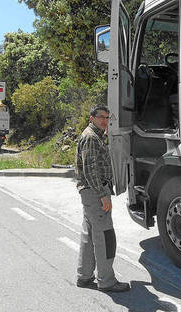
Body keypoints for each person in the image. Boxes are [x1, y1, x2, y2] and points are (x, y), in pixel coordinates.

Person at [75, 105, 130, 293]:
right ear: (92, 118)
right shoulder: (91, 137)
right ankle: (106, 281)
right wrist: (102, 195)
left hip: (89, 193)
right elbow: (91, 170)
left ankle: (84, 276)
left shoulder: (95, 135)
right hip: (95, 192)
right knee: (105, 236)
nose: (104, 121)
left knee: (89, 236)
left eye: (107, 117)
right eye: (100, 117)